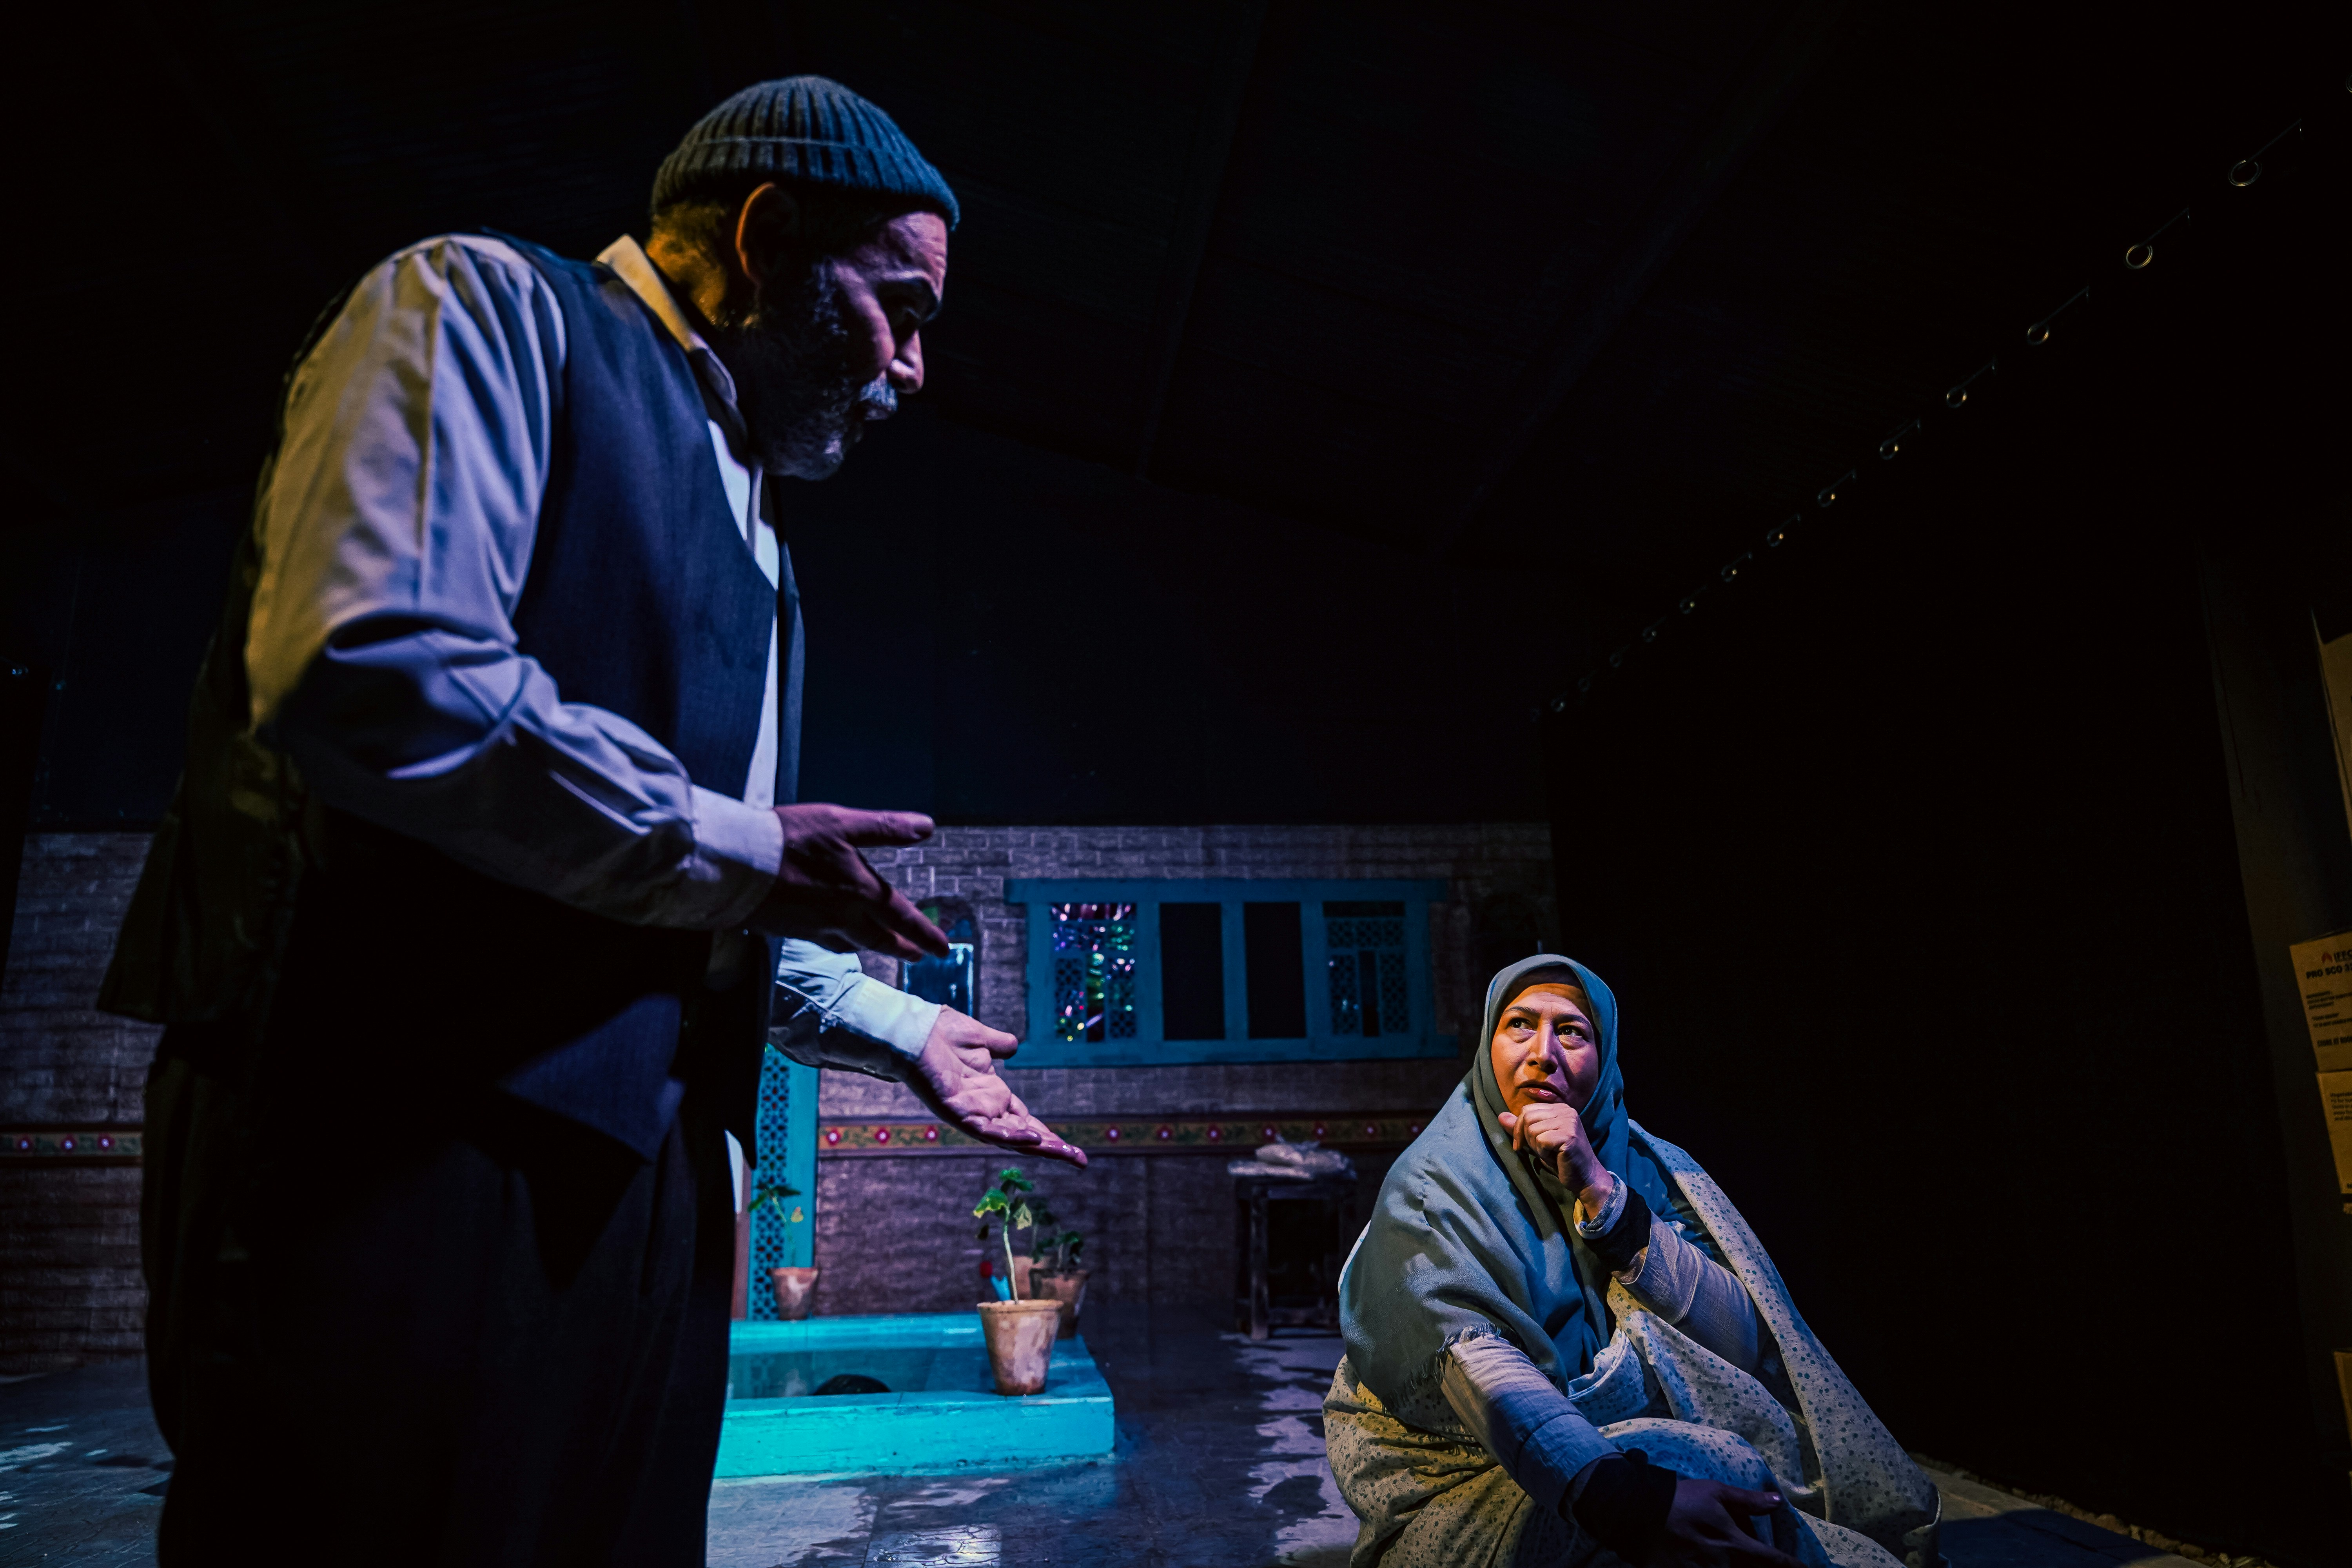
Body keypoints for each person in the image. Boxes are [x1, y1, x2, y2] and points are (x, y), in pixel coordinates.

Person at [98, 77, 1081, 1563]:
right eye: (899, 309)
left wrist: (897, 1026)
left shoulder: (762, 541)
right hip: (394, 1143)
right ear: (764, 242)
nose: (915, 367)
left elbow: (680, 888)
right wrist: (753, 852)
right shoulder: (483, 311)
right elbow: (376, 670)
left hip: (641, 1196)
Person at [1324, 956, 1943, 1568]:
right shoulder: (1433, 1191)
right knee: (1706, 1476)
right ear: (1489, 1046)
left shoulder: (1640, 1163)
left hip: (1606, 1451)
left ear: (1606, 1055)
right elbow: (1478, 1368)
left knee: (1739, 1493)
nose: (1543, 1054)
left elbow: (1743, 1344)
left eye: (1572, 1032)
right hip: (1464, 1491)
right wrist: (1630, 1502)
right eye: (1519, 1026)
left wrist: (1601, 1193)